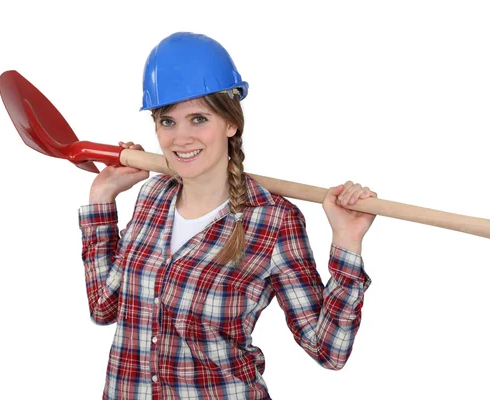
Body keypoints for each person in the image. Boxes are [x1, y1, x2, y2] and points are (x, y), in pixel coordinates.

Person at [78, 32, 377, 400]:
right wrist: (101, 198)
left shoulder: (273, 221)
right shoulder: (152, 197)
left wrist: (347, 243)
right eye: (167, 121)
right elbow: (105, 308)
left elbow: (328, 350)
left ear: (231, 123)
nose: (180, 138)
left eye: (198, 119)